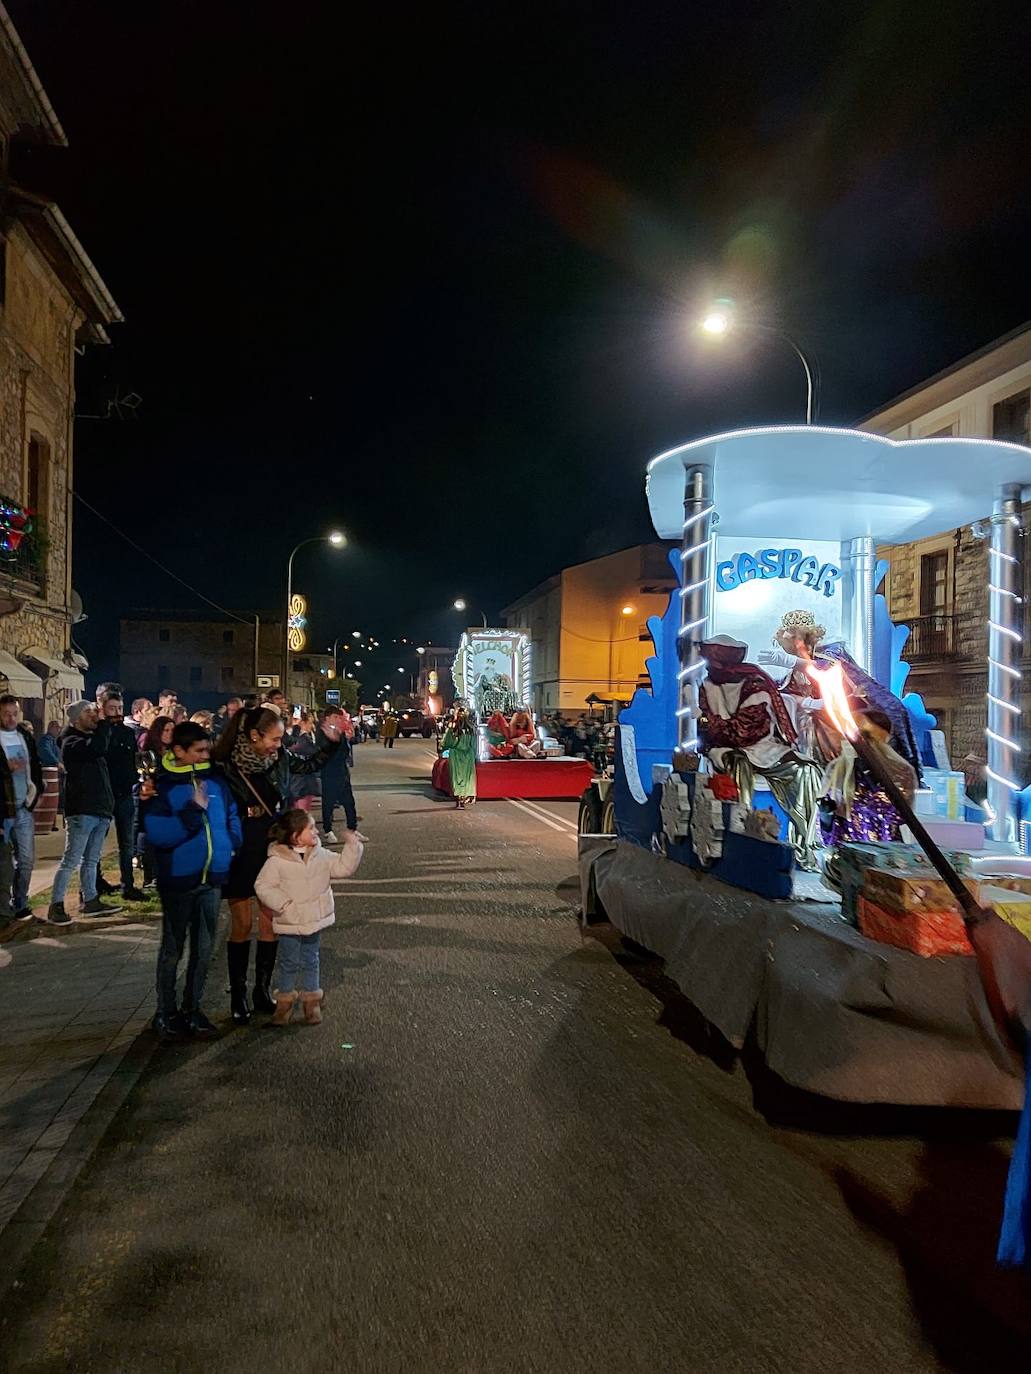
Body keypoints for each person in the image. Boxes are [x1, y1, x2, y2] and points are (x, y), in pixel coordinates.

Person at [212, 705, 341, 1023]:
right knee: (241, 924)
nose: (279, 744)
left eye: (281, 738)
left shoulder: (281, 758)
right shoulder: (225, 765)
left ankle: (262, 991)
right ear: (254, 736)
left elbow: (310, 764)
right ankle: (239, 994)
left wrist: (331, 741)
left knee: (271, 923)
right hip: (241, 844)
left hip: (273, 843)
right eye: (274, 738)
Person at [141, 721, 242, 1041]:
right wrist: (192, 813)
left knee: (203, 948)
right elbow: (158, 834)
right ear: (179, 751)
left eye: (207, 750)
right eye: (198, 751)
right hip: (179, 880)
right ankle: (166, 1012)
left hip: (211, 877)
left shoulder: (215, 781)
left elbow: (230, 815)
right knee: (173, 949)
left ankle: (193, 1008)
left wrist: (232, 842)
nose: (205, 756)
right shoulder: (164, 786)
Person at [255, 808, 363, 1025]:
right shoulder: (277, 861)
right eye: (310, 828)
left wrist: (353, 847)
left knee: (311, 959)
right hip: (290, 921)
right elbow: (263, 886)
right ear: (296, 836)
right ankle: (284, 1003)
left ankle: (311, 1002)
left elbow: (343, 868)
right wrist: (283, 904)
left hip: (314, 919)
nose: (315, 832)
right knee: (288, 961)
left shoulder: (320, 855)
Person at [48, 701, 123, 924]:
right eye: (88, 712)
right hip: (82, 810)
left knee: (91, 860)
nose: (94, 715)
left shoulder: (89, 738)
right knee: (71, 859)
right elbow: (97, 748)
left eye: (94, 711)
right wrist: (103, 725)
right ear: (75, 719)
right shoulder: (71, 741)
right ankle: (56, 905)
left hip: (99, 808)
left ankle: (91, 900)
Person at [97, 692, 147, 901]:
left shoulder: (127, 732)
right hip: (104, 792)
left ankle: (128, 884)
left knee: (126, 842)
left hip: (125, 791)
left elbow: (133, 757)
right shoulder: (99, 731)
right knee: (96, 842)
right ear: (102, 709)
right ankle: (94, 884)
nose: (117, 713)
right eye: (112, 709)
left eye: (119, 708)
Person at [0, 694, 43, 923]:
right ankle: (4, 908)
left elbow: (34, 765)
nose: (10, 718)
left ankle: (21, 903)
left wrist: (35, 795)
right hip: (4, 811)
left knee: (26, 860)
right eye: (6, 713)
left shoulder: (24, 735)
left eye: (14, 713)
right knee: (4, 863)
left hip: (24, 807)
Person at [318, 704, 362, 842]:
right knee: (328, 802)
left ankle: (352, 829)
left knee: (349, 802)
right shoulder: (322, 732)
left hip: (342, 771)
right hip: (329, 771)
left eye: (339, 717)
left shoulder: (340, 731)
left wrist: (350, 736)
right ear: (327, 718)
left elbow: (349, 747)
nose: (338, 719)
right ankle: (328, 830)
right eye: (335, 717)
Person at [440, 705, 477, 807]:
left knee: (456, 778)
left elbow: (447, 742)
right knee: (467, 777)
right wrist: (475, 755)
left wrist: (443, 747)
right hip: (468, 755)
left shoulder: (453, 728)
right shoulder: (471, 729)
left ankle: (459, 799)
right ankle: (466, 797)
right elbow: (474, 744)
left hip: (455, 754)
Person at [288, 710, 321, 812]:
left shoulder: (293, 738)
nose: (311, 726)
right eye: (310, 723)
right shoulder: (303, 739)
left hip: (295, 781)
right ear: (302, 723)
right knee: (302, 812)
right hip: (302, 782)